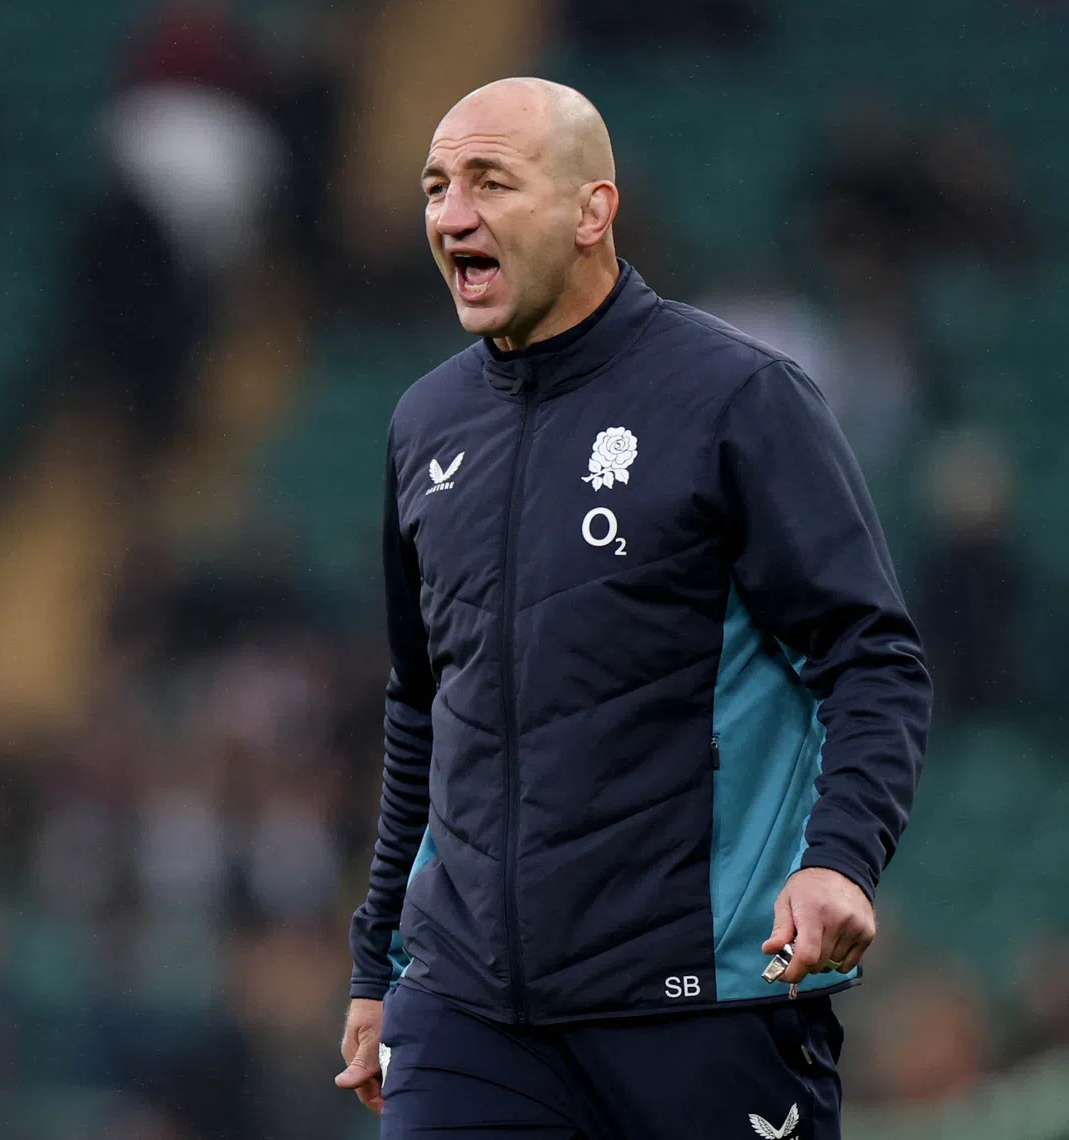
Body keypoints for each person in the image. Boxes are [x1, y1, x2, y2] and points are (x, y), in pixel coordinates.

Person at [335, 77, 932, 1139]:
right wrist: (378, 962)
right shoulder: (424, 424)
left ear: (591, 210)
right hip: (468, 1012)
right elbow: (423, 708)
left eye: (488, 181)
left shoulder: (739, 397)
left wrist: (839, 858)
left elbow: (871, 655)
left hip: (695, 1000)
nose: (450, 214)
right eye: (435, 187)